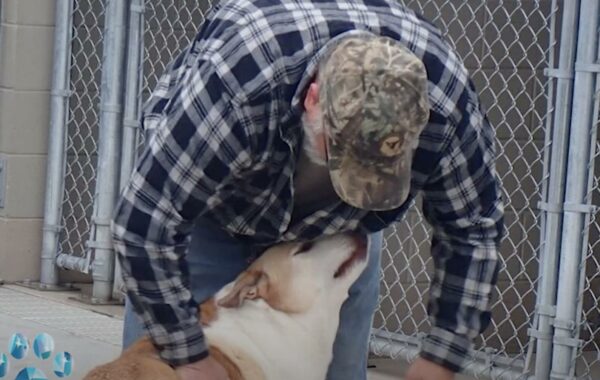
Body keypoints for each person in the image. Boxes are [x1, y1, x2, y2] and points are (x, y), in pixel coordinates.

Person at [111, 0, 504, 379]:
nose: (355, 180)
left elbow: (471, 228)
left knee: (340, 367)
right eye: (346, 164)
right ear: (313, 99)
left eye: (380, 171)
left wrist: (442, 355)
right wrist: (189, 356)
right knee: (161, 369)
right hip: (216, 208)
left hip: (336, 230)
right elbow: (145, 226)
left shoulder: (445, 104)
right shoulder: (241, 84)